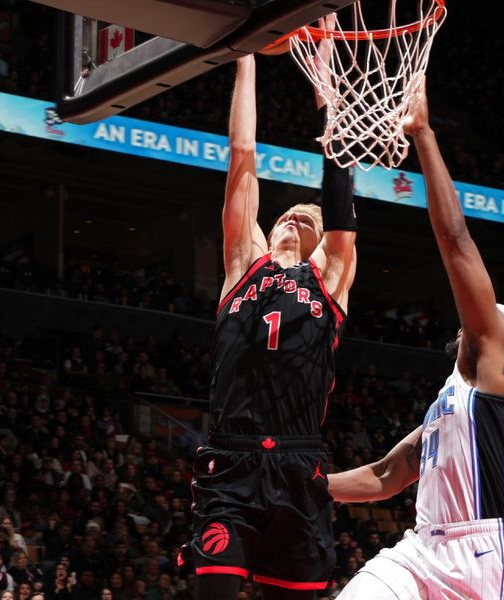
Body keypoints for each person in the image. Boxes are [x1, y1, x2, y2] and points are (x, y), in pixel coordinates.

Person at [329, 77, 504, 599]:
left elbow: (456, 240)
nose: (475, 319)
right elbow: (387, 473)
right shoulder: (450, 403)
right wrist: (306, 489)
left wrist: (423, 133)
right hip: (420, 550)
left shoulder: (497, 373)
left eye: (490, 319)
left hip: (482, 553)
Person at [185, 18, 358, 600]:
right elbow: (242, 156)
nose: (295, 217)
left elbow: (339, 199)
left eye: (308, 219)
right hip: (230, 463)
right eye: (289, 213)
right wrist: (245, 55)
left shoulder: (329, 280)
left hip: (297, 463)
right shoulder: (243, 264)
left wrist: (329, 91)